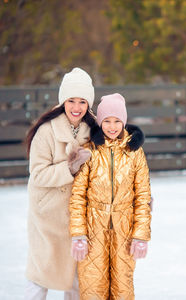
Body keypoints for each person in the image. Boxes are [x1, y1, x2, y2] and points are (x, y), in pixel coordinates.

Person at [69, 93, 152, 300]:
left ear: (124, 122)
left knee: (123, 285)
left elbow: (143, 195)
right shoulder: (90, 151)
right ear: (100, 122)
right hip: (92, 228)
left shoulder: (135, 153)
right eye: (107, 121)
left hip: (124, 228)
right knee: (92, 284)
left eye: (117, 121)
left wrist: (140, 235)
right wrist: (78, 234)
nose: (112, 126)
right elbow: (78, 195)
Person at [24, 67, 96, 300]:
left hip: (78, 216)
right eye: (71, 100)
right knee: (41, 274)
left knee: (77, 277)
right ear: (63, 101)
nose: (76, 107)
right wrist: (70, 168)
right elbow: (38, 174)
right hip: (48, 215)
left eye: (82, 101)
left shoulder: (93, 131)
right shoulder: (46, 131)